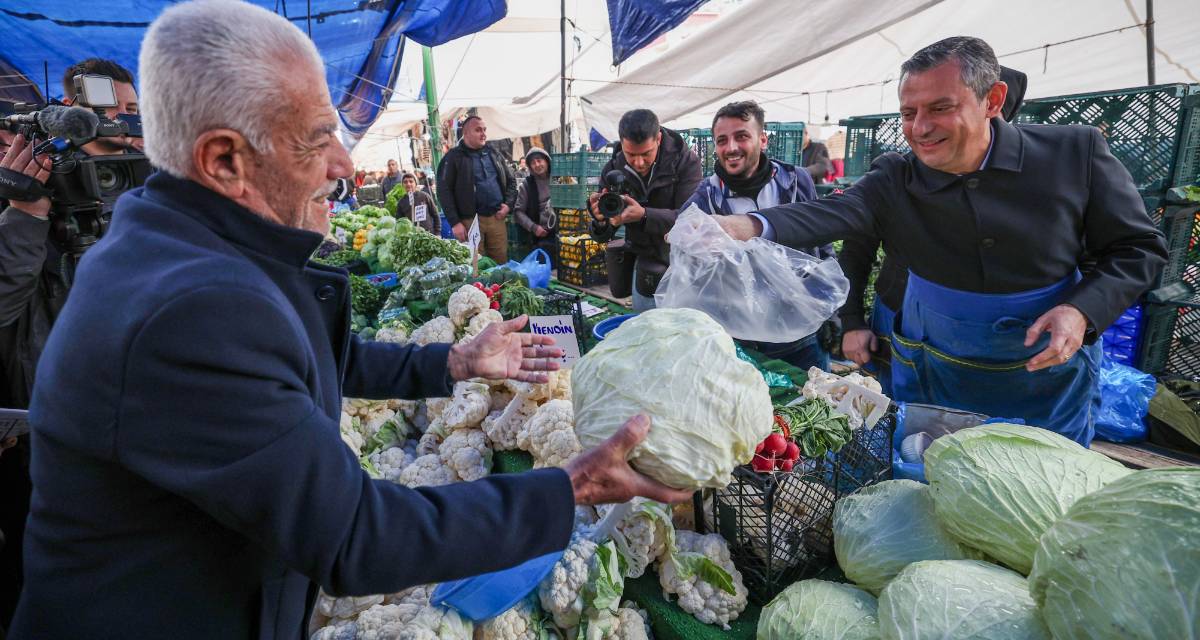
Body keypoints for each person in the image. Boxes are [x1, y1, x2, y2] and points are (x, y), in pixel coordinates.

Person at [8, 2, 689, 637]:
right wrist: (569, 488)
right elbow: (355, 536)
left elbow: (304, 353)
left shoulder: (187, 245)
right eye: (317, 139)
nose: (343, 163)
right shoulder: (190, 308)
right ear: (223, 160)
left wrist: (452, 362)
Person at [711, 37, 1166, 446]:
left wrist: (1082, 309)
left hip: (1044, 375)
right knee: (930, 474)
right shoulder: (897, 174)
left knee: (1045, 487)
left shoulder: (1074, 153)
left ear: (993, 99)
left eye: (940, 108)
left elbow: (1138, 249)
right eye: (909, 113)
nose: (920, 128)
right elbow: (840, 214)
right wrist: (747, 225)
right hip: (935, 370)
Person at [838, 65, 1030, 394]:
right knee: (906, 418)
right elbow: (857, 249)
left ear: (994, 107)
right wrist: (852, 322)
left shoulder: (1024, 177)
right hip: (901, 318)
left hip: (1000, 335)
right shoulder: (901, 177)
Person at [679, 101, 837, 370]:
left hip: (802, 332)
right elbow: (682, 237)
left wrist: (831, 310)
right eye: (722, 140)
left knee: (811, 403)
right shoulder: (708, 195)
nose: (731, 148)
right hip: (742, 336)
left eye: (742, 136)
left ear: (762, 140)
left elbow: (821, 242)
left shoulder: (796, 181)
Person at [588, 109, 702, 311]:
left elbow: (690, 219)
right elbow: (603, 234)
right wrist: (600, 220)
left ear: (658, 138)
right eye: (630, 154)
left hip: (683, 263)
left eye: (646, 154)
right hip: (645, 265)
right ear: (621, 142)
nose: (638, 162)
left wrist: (644, 216)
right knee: (645, 325)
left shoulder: (686, 162)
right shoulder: (613, 168)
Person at [437, 116, 516, 263]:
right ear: (466, 133)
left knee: (500, 263)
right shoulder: (453, 157)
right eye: (478, 130)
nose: (483, 134)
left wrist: (508, 205)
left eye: (484, 130)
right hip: (469, 222)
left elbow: (511, 181)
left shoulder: (494, 153)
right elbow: (443, 190)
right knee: (474, 266)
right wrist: (455, 222)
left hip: (496, 219)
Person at [514, 147, 557, 267]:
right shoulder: (527, 185)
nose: (537, 165)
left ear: (547, 161)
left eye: (539, 160)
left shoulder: (559, 178)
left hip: (563, 232)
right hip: (543, 236)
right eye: (533, 163)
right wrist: (534, 227)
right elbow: (518, 212)